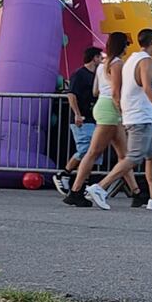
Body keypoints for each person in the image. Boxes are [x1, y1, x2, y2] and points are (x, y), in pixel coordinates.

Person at [83, 29, 152, 210]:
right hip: (140, 115)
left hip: (138, 115)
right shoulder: (146, 61)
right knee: (133, 156)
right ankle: (100, 187)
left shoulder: (132, 59)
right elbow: (148, 88)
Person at [63, 33, 144, 207]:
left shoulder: (102, 65)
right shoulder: (117, 64)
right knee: (93, 152)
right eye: (126, 45)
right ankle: (76, 190)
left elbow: (95, 91)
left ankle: (137, 192)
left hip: (103, 105)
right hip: (111, 109)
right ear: (122, 46)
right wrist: (123, 112)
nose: (127, 48)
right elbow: (116, 92)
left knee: (124, 155)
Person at [53, 46, 102, 195]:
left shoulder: (96, 76)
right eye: (100, 57)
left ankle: (83, 182)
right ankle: (65, 174)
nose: (101, 60)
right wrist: (77, 113)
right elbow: (72, 94)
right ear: (94, 58)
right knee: (85, 149)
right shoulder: (79, 74)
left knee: (93, 150)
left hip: (93, 117)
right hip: (82, 118)